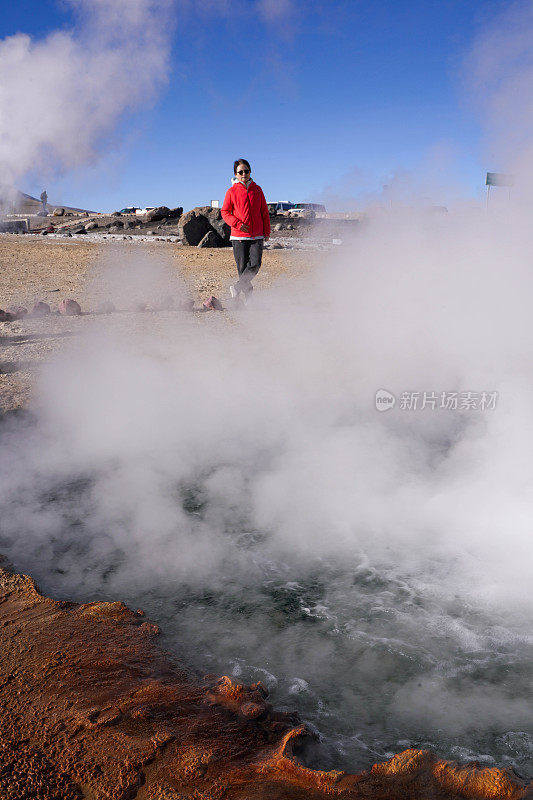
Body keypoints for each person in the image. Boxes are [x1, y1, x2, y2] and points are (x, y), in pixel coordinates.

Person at [221, 159, 270, 300]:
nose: (244, 174)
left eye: (246, 171)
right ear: (235, 174)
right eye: (240, 172)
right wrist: (236, 223)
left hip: (257, 236)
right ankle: (247, 299)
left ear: (250, 172)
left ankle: (236, 288)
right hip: (239, 237)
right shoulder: (231, 192)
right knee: (242, 270)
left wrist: (267, 232)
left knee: (255, 264)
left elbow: (264, 212)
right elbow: (225, 212)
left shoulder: (258, 189)